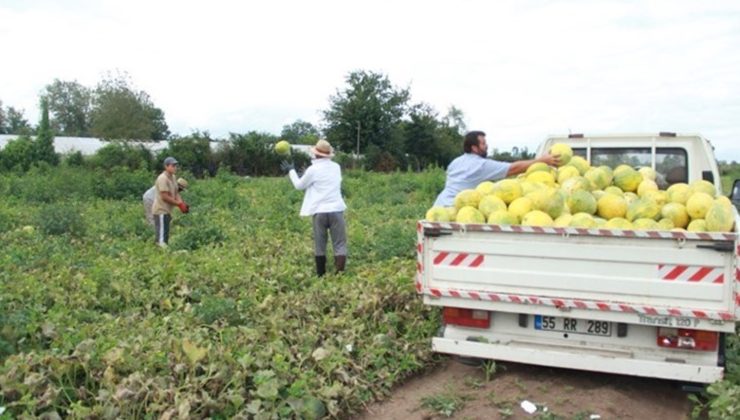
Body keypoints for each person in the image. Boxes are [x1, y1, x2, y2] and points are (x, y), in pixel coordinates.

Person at [434, 131, 561, 207]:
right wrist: (542, 161)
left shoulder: (455, 162)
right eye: (483, 143)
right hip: (455, 208)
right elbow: (513, 168)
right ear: (474, 148)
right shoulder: (481, 165)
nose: (487, 146)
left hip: (439, 205)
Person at [281, 139, 347, 276]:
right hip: (336, 210)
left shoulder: (312, 169)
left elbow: (300, 186)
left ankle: (320, 275)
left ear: (316, 154)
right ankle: (339, 275)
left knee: (320, 245)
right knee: (339, 244)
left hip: (320, 211)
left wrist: (291, 171)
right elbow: (326, 180)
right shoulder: (336, 167)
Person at [152, 157, 189, 246]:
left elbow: (176, 193)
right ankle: (161, 254)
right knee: (161, 237)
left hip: (167, 210)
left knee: (165, 233)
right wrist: (178, 204)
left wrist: (181, 203)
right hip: (161, 210)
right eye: (173, 166)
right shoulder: (162, 178)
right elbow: (165, 196)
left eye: (176, 166)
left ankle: (164, 252)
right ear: (166, 166)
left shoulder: (173, 177)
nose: (175, 168)